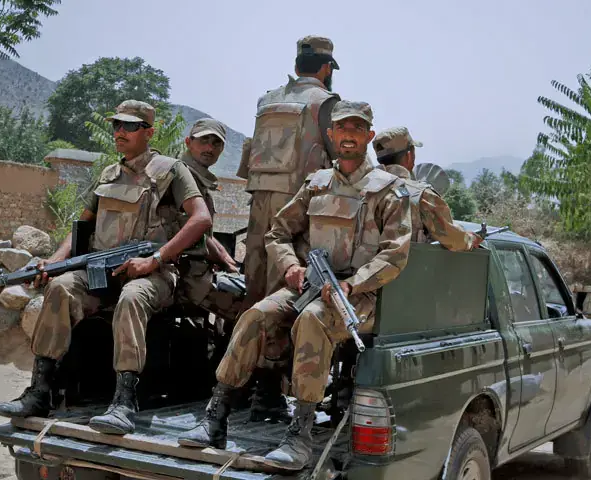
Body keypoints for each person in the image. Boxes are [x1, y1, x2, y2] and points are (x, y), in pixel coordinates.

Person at [178, 100, 413, 470]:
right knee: (256, 315)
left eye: (357, 128)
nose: (349, 135)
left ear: (368, 135)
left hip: (359, 298)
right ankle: (216, 415)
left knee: (314, 319)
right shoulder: (316, 184)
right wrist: (290, 265)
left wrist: (352, 285)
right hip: (308, 285)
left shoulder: (388, 191)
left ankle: (300, 434)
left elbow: (395, 254)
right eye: (342, 128)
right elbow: (278, 232)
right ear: (331, 134)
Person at [0, 100, 213, 435]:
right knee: (61, 287)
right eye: (116, 126)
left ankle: (124, 401)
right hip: (102, 269)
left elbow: (201, 219)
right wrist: (55, 262)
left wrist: (155, 259)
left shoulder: (171, 170)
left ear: (149, 132)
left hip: (152, 273)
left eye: (129, 126)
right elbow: (82, 226)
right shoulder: (109, 174)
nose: (120, 132)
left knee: (132, 297)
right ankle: (40, 390)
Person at [236, 35, 341, 311]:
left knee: (254, 277)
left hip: (258, 200)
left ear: (296, 67)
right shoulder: (326, 102)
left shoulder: (266, 100)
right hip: (297, 205)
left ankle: (242, 334)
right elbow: (341, 155)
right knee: (286, 283)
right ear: (326, 68)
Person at [175, 118, 243, 324]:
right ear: (188, 142)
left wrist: (230, 263)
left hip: (196, 271)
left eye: (216, 143)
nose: (209, 148)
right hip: (184, 274)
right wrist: (225, 262)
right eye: (203, 141)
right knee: (250, 310)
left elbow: (206, 236)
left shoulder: (197, 178)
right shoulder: (180, 177)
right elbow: (196, 235)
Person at [372, 126, 482, 251]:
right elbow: (455, 241)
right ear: (409, 155)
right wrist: (470, 239)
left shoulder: (362, 190)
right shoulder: (421, 195)